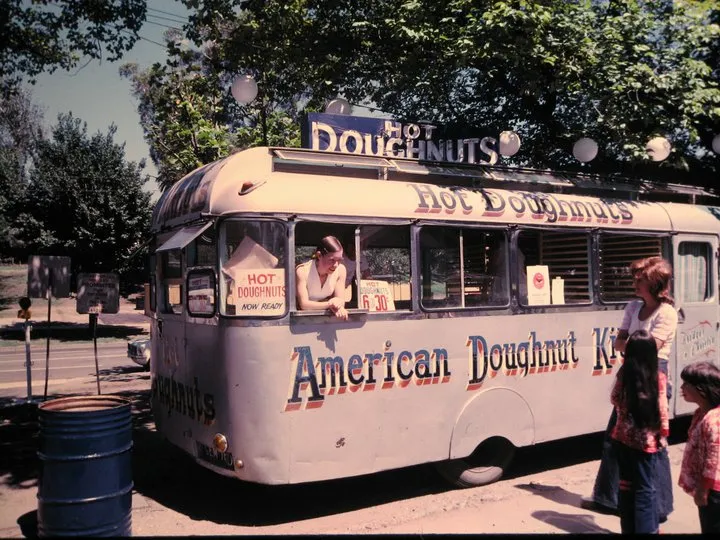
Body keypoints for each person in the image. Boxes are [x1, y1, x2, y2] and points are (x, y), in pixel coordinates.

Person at [582, 256, 677, 520]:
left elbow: (649, 348)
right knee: (616, 438)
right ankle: (608, 499)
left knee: (651, 443)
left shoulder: (667, 313)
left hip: (653, 374)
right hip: (630, 373)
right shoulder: (633, 307)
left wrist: (629, 342)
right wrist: (632, 343)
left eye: (641, 280)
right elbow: (620, 344)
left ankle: (657, 506)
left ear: (655, 285)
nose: (635, 284)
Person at [610, 329, 669, 534]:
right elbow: (662, 409)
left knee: (626, 486)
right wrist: (663, 434)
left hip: (621, 438)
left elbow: (615, 398)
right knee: (645, 488)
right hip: (646, 443)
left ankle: (628, 528)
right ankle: (647, 530)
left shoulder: (624, 373)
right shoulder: (658, 377)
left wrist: (625, 414)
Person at [678, 361, 720, 533]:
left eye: (687, 384)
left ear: (702, 389)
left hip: (714, 492)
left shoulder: (713, 420)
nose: (682, 387)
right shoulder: (701, 413)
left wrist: (702, 491)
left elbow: (714, 461)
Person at [296, 235, 349, 320]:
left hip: (324, 319)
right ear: (319, 255)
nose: (336, 265)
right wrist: (330, 305)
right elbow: (304, 304)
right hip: (301, 320)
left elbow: (340, 300)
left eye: (339, 260)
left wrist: (339, 305)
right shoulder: (302, 271)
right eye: (332, 260)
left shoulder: (341, 270)